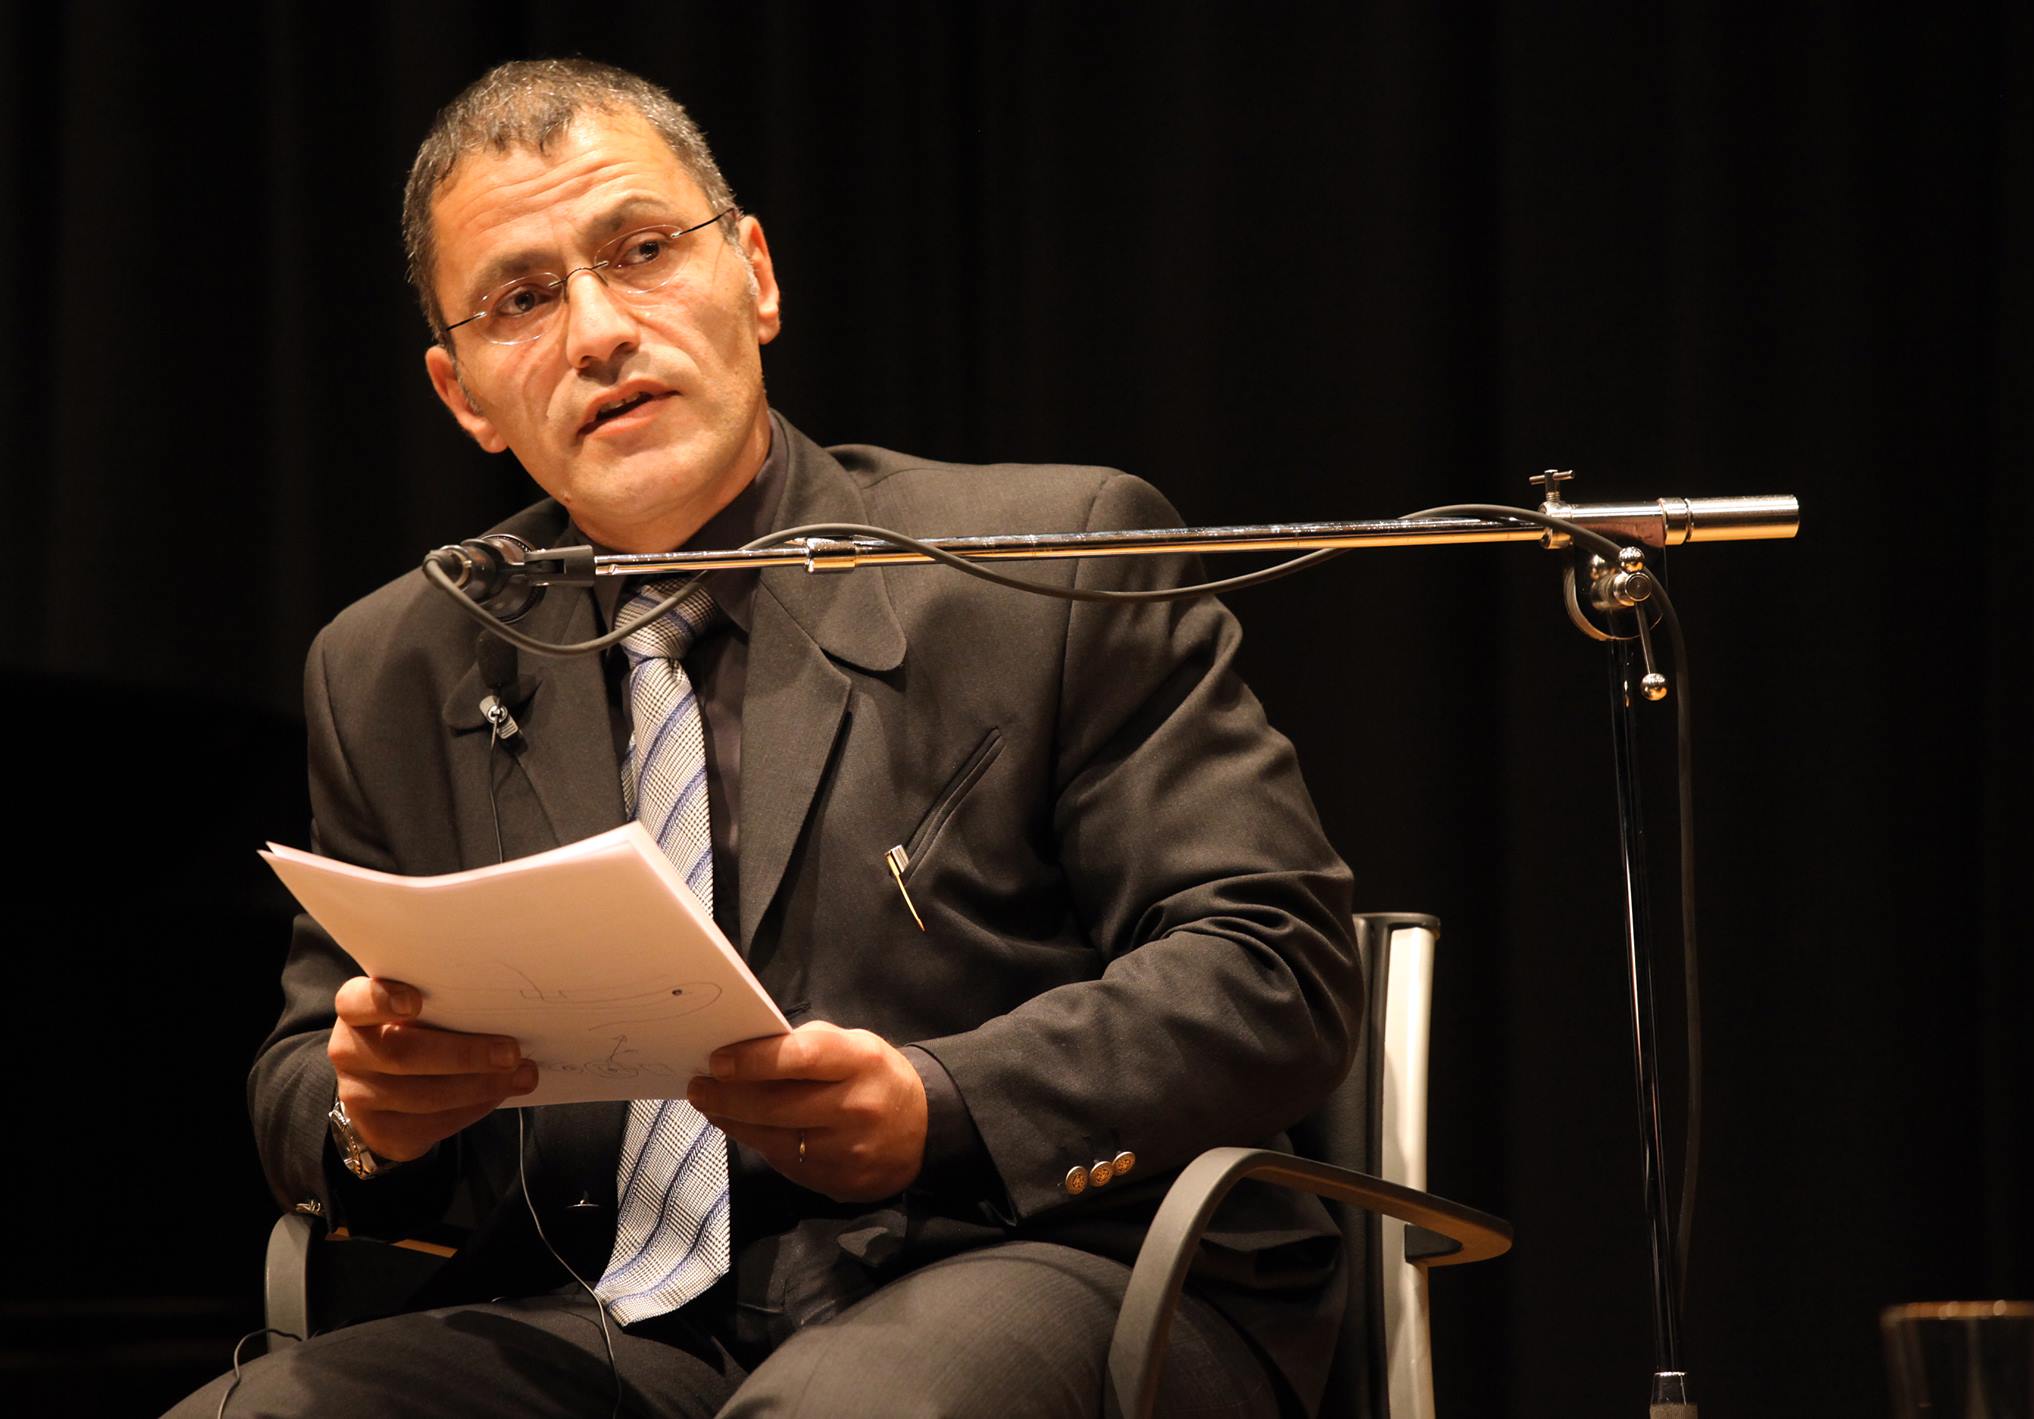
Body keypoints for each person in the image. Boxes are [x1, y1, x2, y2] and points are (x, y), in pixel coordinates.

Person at [170, 58, 1360, 1419]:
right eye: (522, 300)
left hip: (1032, 1255)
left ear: (755, 275)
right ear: (464, 395)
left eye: (642, 252)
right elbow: (301, 1075)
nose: (598, 332)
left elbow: (1271, 960)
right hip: (608, 1319)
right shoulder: (394, 662)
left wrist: (942, 1101)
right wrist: (369, 1117)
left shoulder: (1045, 561)